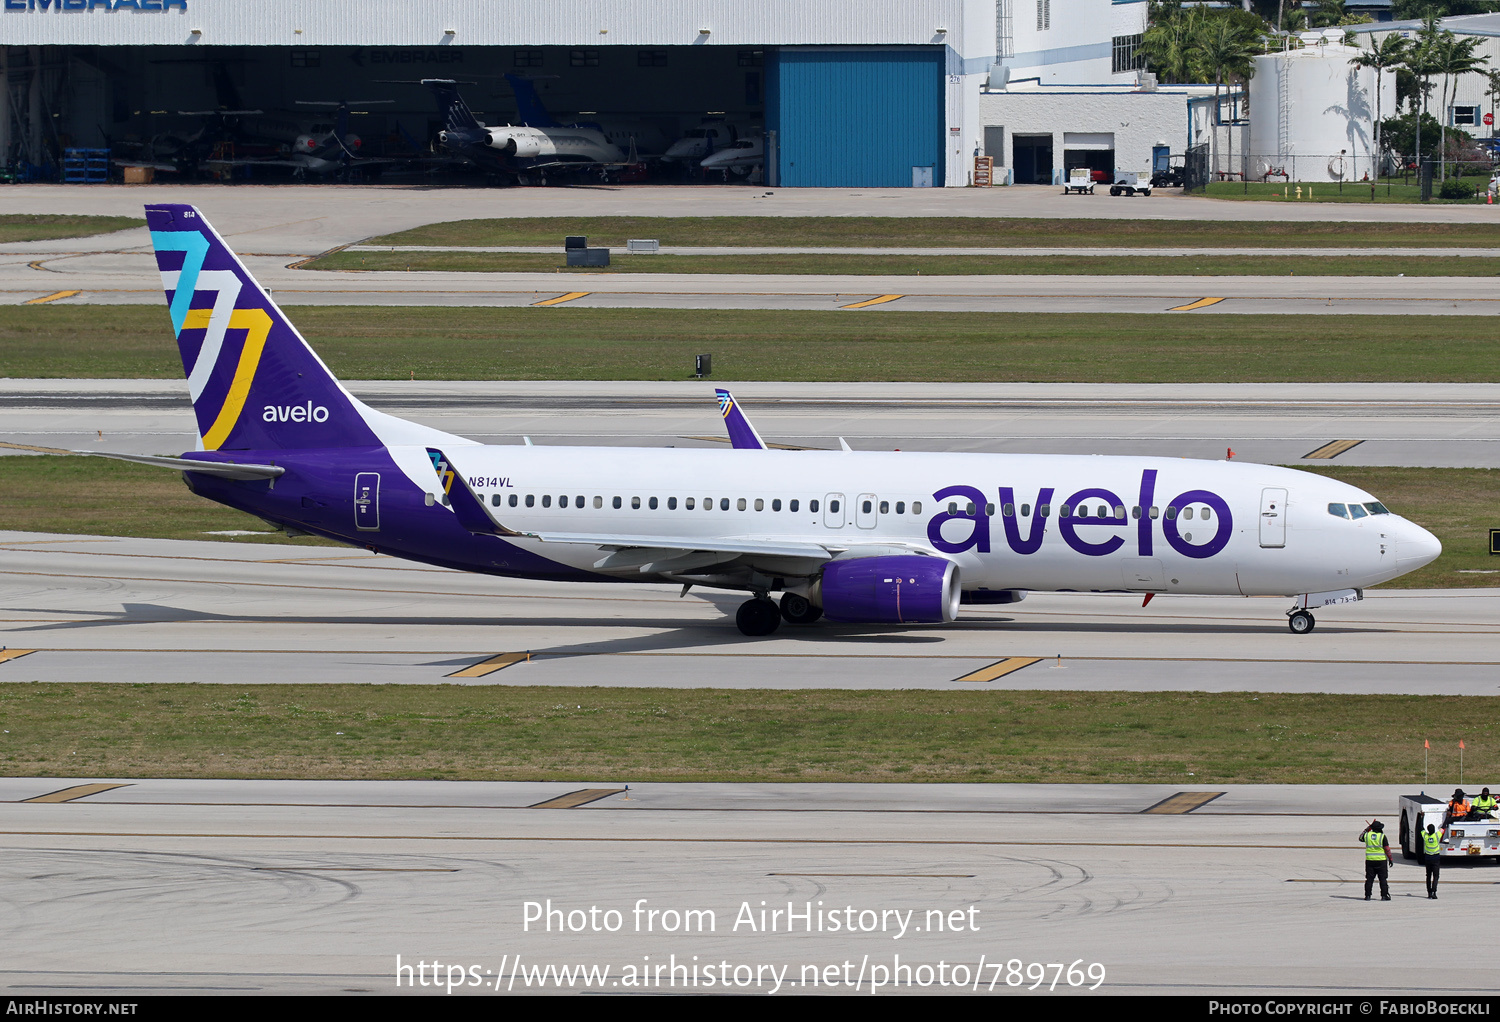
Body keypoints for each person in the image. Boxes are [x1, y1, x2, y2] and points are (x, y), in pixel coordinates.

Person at [1360, 820, 1391, 900]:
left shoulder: (1367, 835)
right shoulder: (1382, 836)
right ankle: (1384, 896)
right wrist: (1390, 859)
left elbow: (1360, 837)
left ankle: (1367, 896)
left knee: (1369, 879)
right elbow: (1387, 849)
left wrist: (1367, 828)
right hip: (1381, 861)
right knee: (1383, 879)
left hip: (1370, 860)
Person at [1423, 823, 1443, 899]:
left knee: (1428, 876)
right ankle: (1434, 891)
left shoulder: (1425, 836)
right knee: (1436, 876)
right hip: (1435, 858)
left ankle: (1429, 892)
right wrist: (1447, 818)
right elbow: (1443, 828)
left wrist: (1422, 817)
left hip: (1428, 858)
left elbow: (1421, 828)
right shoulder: (1437, 836)